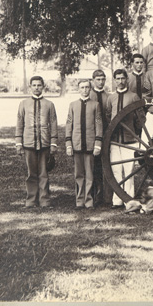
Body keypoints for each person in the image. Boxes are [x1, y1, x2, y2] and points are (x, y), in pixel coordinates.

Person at [15, 76, 58, 208]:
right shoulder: (23, 104)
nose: (36, 87)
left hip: (44, 143)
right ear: (30, 87)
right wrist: (18, 142)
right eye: (34, 85)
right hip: (29, 143)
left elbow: (54, 124)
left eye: (39, 85)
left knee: (43, 173)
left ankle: (44, 200)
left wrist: (53, 143)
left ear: (43, 86)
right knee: (31, 173)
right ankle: (31, 200)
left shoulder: (49, 104)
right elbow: (19, 123)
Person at [105, 69, 146, 208]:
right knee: (116, 170)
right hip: (115, 140)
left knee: (129, 171)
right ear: (114, 80)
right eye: (117, 79)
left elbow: (141, 118)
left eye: (123, 78)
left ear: (127, 79)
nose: (120, 81)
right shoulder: (111, 98)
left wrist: (135, 132)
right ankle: (117, 200)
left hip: (130, 139)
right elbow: (108, 116)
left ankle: (129, 199)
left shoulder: (133, 96)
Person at [65, 79, 103, 210]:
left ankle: (89, 200)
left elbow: (99, 125)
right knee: (79, 174)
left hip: (90, 144)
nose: (85, 90)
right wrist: (68, 144)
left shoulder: (95, 105)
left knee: (90, 174)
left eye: (87, 87)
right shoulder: (73, 105)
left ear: (90, 89)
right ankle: (79, 200)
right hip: (77, 144)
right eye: (82, 87)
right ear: (78, 89)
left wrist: (98, 143)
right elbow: (69, 124)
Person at [89, 69, 112, 207]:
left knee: (104, 164)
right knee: (92, 165)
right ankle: (92, 194)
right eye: (98, 79)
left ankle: (105, 194)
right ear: (93, 81)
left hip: (105, 134)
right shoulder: (89, 95)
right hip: (91, 135)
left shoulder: (108, 96)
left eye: (103, 79)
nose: (100, 82)